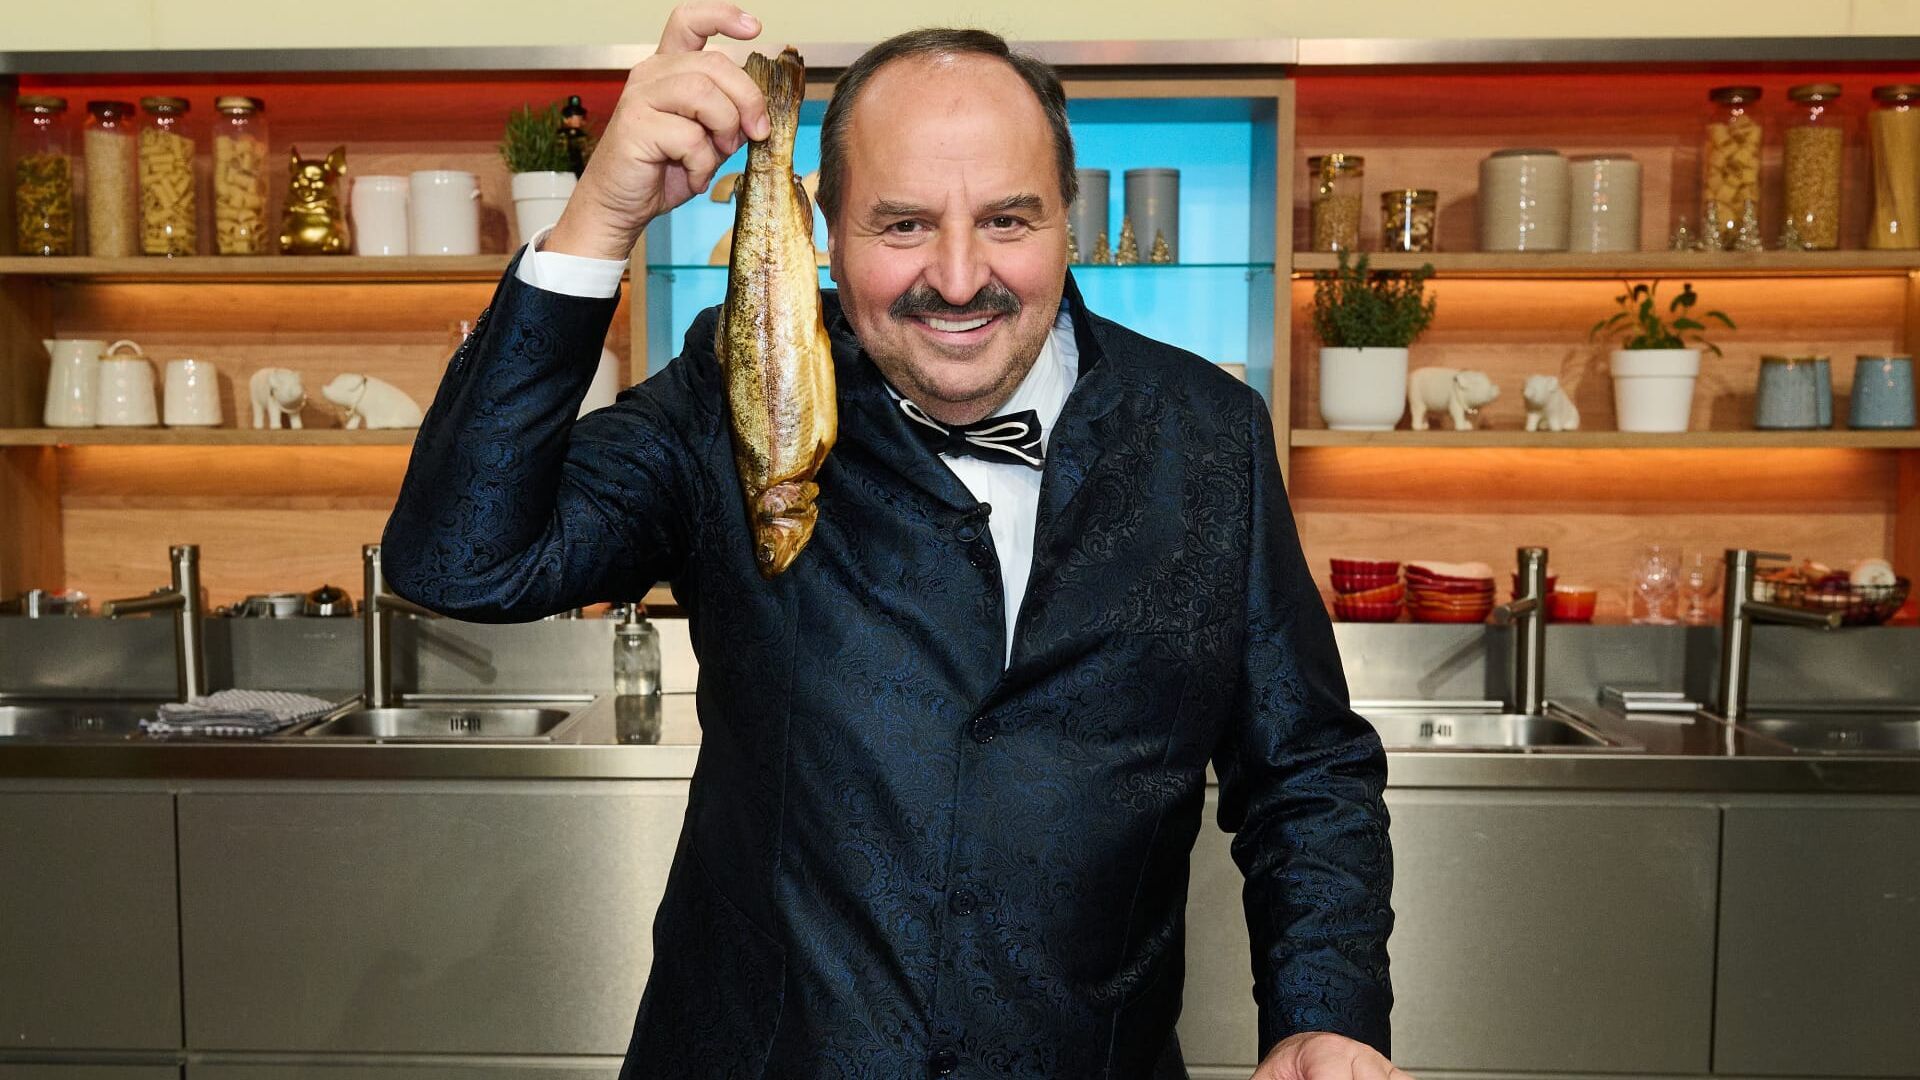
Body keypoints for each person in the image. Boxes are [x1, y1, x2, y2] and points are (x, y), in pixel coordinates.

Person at [380, 4, 1403, 1078]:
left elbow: (1304, 768)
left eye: (1008, 220)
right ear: (827, 228)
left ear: (1069, 216)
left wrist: (1324, 1014)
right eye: (903, 225)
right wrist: (598, 218)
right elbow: (462, 559)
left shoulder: (1208, 431)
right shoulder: (730, 395)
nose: (958, 279)